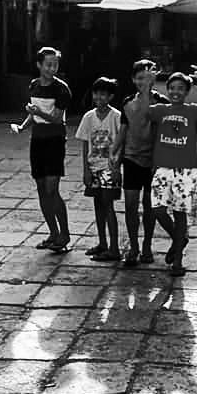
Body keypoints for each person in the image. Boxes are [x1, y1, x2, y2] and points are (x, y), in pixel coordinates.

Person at [147, 67, 197, 278]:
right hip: (162, 167)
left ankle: (177, 262)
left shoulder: (191, 110)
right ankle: (179, 239)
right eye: (172, 88)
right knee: (157, 209)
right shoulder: (160, 110)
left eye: (181, 89)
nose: (176, 92)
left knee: (179, 212)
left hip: (185, 169)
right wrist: (149, 82)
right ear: (167, 90)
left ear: (187, 92)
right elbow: (142, 108)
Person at [12, 46, 73, 253]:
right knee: (40, 189)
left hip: (55, 140)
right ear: (39, 65)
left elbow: (56, 118)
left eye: (55, 65)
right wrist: (22, 126)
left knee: (52, 189)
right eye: (48, 64)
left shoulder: (61, 89)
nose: (51, 68)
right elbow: (34, 114)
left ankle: (64, 233)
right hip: (37, 140)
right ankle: (53, 233)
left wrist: (38, 112)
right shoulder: (34, 86)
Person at [115, 59, 168, 268]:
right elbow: (124, 129)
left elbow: (155, 122)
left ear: (154, 78)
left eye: (146, 77)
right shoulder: (128, 102)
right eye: (139, 78)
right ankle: (134, 246)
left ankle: (146, 245)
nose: (142, 81)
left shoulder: (161, 102)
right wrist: (115, 153)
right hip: (131, 158)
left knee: (149, 206)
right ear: (132, 79)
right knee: (130, 205)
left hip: (153, 162)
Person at [75, 77, 122, 262]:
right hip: (93, 166)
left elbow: (121, 142)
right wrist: (85, 169)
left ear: (110, 96)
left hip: (109, 168)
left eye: (103, 93)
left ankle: (114, 248)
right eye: (96, 93)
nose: (99, 97)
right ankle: (102, 243)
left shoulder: (116, 116)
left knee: (108, 206)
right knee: (98, 205)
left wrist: (117, 166)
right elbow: (85, 144)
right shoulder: (89, 117)